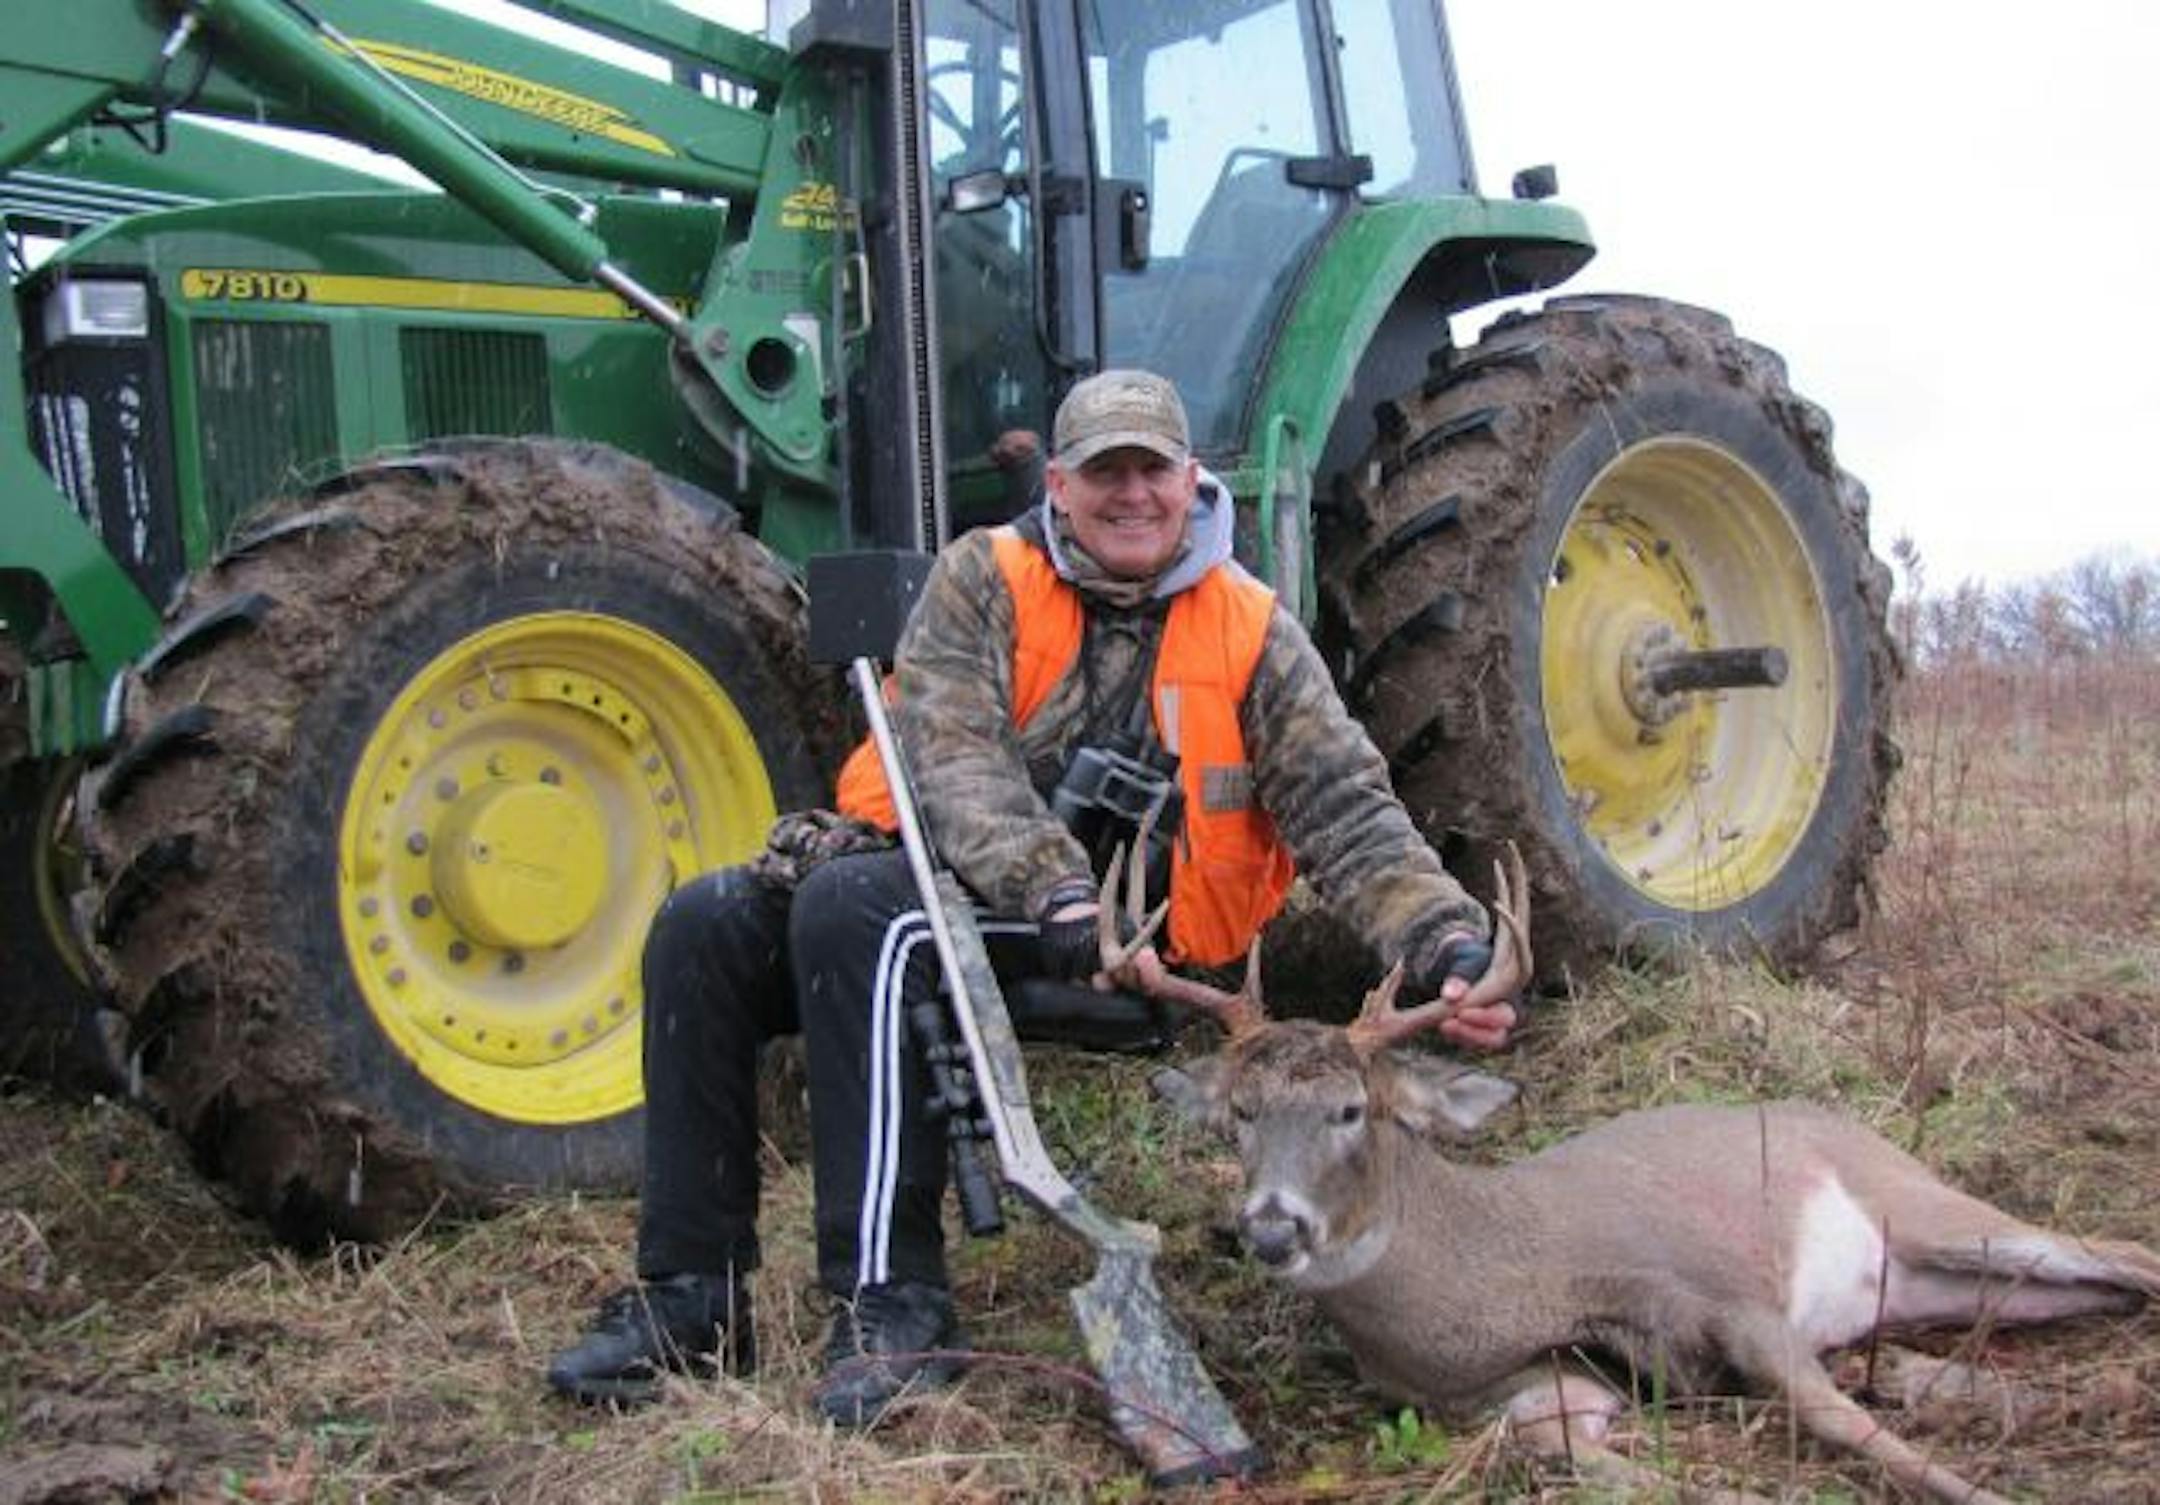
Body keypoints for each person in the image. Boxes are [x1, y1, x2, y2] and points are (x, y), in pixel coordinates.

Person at [546, 369, 1520, 1422]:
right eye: (1106, 472)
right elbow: (955, 757)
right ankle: (691, 1292)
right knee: (704, 924)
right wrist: (1051, 887)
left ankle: (889, 1298)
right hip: (1018, 901)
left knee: (864, 915)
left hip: (1146, 962)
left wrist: (1443, 943)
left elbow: (1347, 808)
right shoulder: (983, 578)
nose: (1132, 494)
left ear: (1191, 480)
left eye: (1153, 469)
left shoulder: (1251, 630)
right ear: (1059, 484)